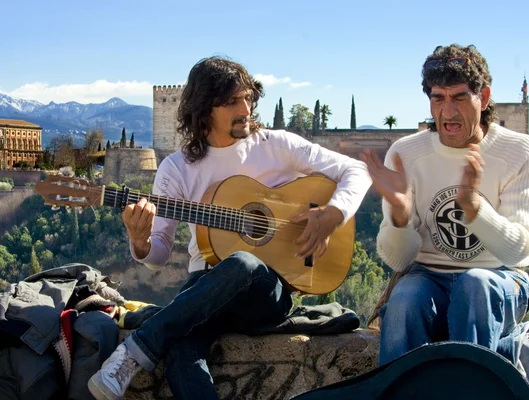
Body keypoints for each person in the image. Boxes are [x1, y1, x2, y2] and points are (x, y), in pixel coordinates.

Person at [88, 56, 371, 400]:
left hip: (267, 292)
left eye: (249, 97)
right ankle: (150, 346)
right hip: (204, 286)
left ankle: (135, 351)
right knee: (180, 348)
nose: (246, 108)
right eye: (232, 101)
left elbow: (357, 171)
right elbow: (158, 255)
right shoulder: (177, 169)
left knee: (243, 263)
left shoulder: (277, 145)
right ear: (204, 108)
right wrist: (140, 240)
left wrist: (332, 215)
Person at [361, 44, 529, 366]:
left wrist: (473, 207)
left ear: (484, 98)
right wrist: (400, 215)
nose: (448, 112)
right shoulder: (407, 154)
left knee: (476, 286)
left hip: (499, 277)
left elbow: (517, 251)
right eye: (438, 98)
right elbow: (397, 259)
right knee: (404, 300)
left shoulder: (521, 151)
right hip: (428, 276)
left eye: (459, 97)